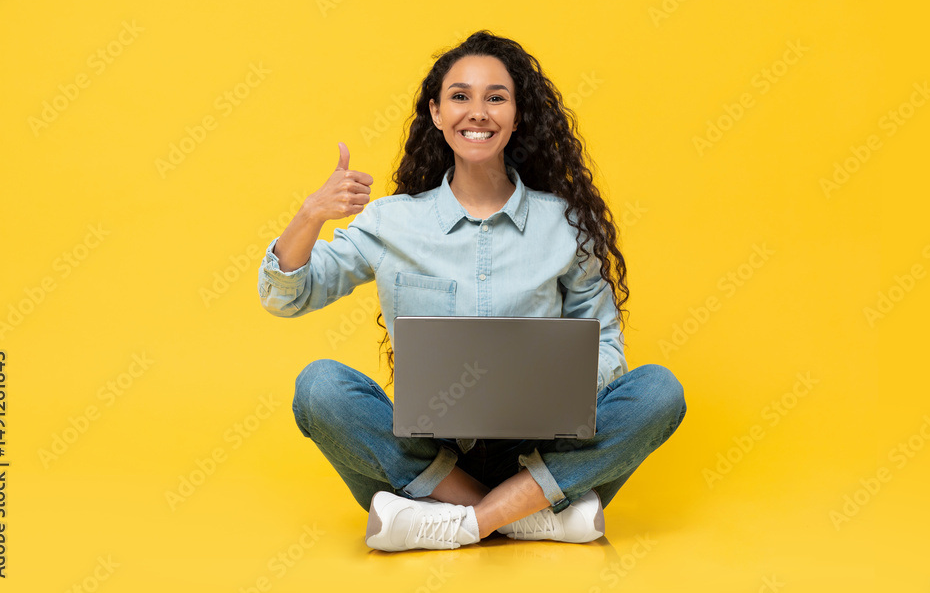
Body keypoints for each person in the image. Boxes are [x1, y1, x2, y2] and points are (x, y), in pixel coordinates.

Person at [257, 30, 687, 552]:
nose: (477, 112)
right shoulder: (392, 222)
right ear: (437, 113)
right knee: (319, 387)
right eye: (460, 96)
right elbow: (286, 295)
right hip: (429, 455)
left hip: (541, 451)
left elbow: (608, 347)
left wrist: (549, 387)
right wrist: (311, 214)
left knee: (659, 391)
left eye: (496, 97)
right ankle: (528, 515)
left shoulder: (564, 225)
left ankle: (457, 523)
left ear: (518, 115)